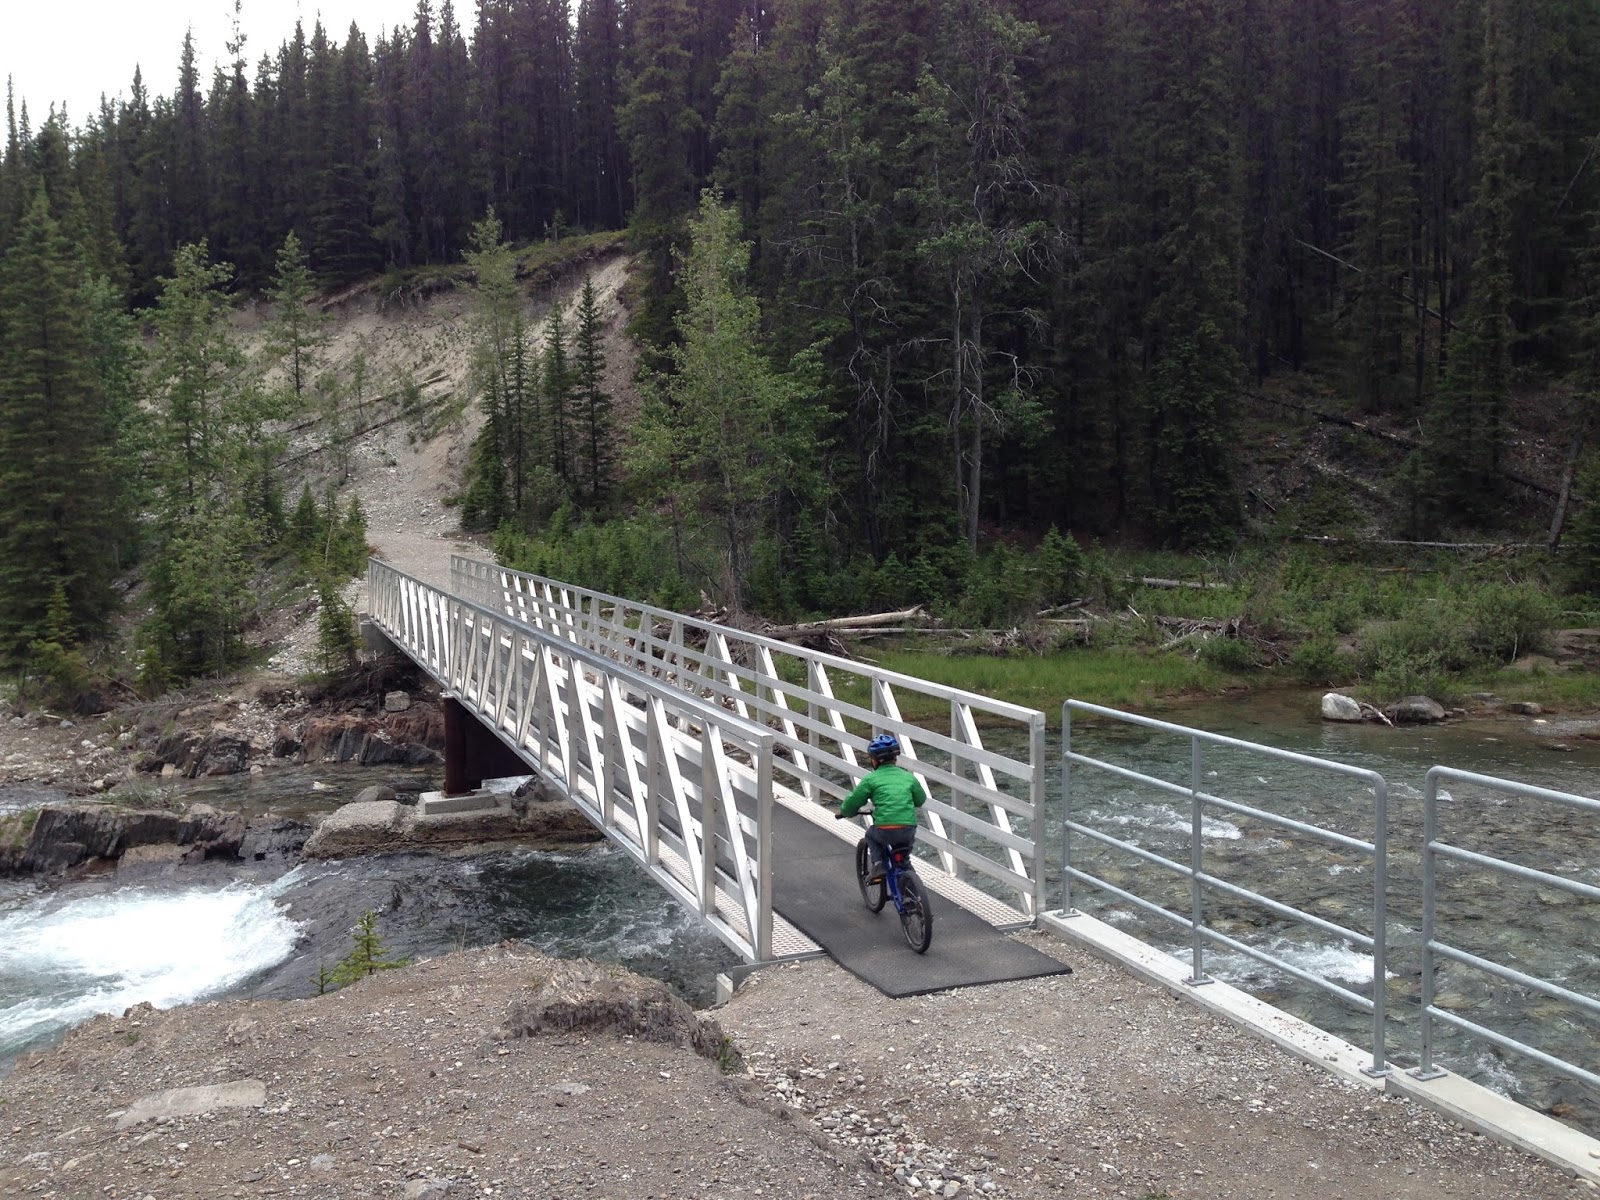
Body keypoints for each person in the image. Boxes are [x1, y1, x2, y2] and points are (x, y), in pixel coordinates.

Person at [838, 732, 926, 883]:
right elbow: (920, 799)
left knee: (871, 835)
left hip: (885, 829)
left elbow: (854, 801)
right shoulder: (908, 777)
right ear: (895, 758)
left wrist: (845, 812)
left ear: (874, 761)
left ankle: (878, 864)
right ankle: (914, 897)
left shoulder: (871, 779)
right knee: (903, 861)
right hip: (908, 829)